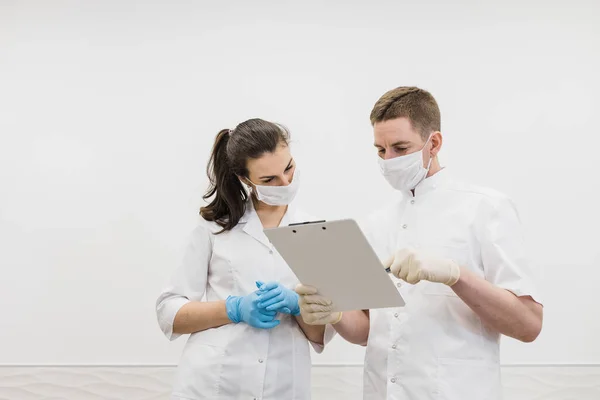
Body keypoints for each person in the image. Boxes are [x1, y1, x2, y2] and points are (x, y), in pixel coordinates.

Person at [295, 87, 544, 400]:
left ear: (434, 143)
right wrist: (335, 313)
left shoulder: (485, 208)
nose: (389, 160)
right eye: (380, 150)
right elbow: (369, 331)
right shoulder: (376, 223)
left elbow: (529, 325)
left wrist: (456, 275)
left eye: (400, 148)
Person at [156, 118, 329, 400]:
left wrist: (298, 306)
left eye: (288, 168)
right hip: (213, 383)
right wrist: (234, 308)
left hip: (283, 384)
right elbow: (169, 313)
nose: (285, 182)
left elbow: (319, 335)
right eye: (269, 179)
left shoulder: (314, 231)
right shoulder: (215, 227)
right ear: (245, 179)